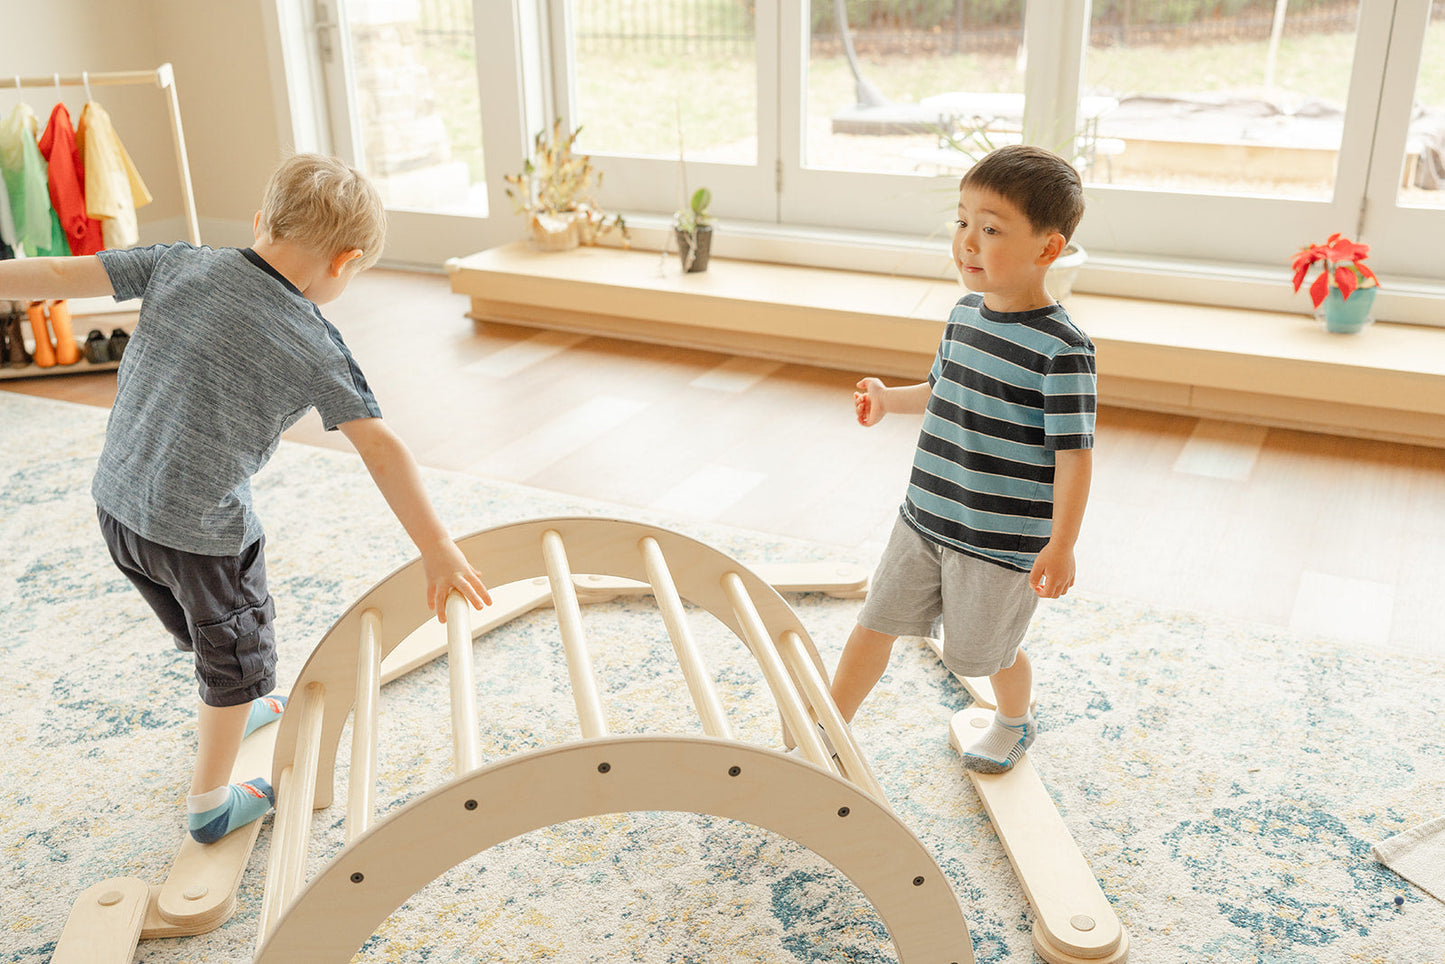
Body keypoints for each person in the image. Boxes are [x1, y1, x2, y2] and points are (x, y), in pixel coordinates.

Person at [0, 153, 492, 842]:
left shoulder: (175, 262)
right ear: (345, 262)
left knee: (206, 631)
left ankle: (238, 704)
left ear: (262, 221)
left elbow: (56, 276)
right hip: (200, 539)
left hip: (117, 506)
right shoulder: (316, 344)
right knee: (237, 654)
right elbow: (381, 447)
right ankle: (210, 802)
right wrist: (437, 548)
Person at [834, 144, 1095, 774]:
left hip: (998, 540)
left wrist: (1061, 546)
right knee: (874, 623)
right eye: (961, 222)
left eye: (991, 229)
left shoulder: (1063, 351)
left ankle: (1014, 719)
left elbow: (1074, 457)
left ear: (1048, 249)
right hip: (925, 515)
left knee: (984, 655)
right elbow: (939, 389)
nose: (967, 242)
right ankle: (826, 727)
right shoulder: (962, 315)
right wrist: (886, 400)